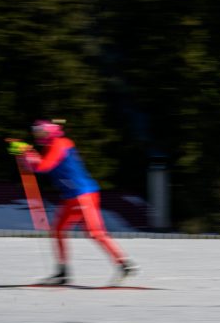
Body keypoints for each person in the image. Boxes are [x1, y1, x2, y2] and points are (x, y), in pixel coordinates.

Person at [8, 120, 137, 285]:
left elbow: (44, 166)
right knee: (58, 230)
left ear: (51, 131)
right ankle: (62, 273)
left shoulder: (61, 143)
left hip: (83, 194)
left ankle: (124, 264)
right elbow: (36, 166)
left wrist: (26, 152)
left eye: (41, 131)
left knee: (94, 232)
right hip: (71, 196)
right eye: (36, 132)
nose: (38, 135)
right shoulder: (50, 146)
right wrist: (23, 154)